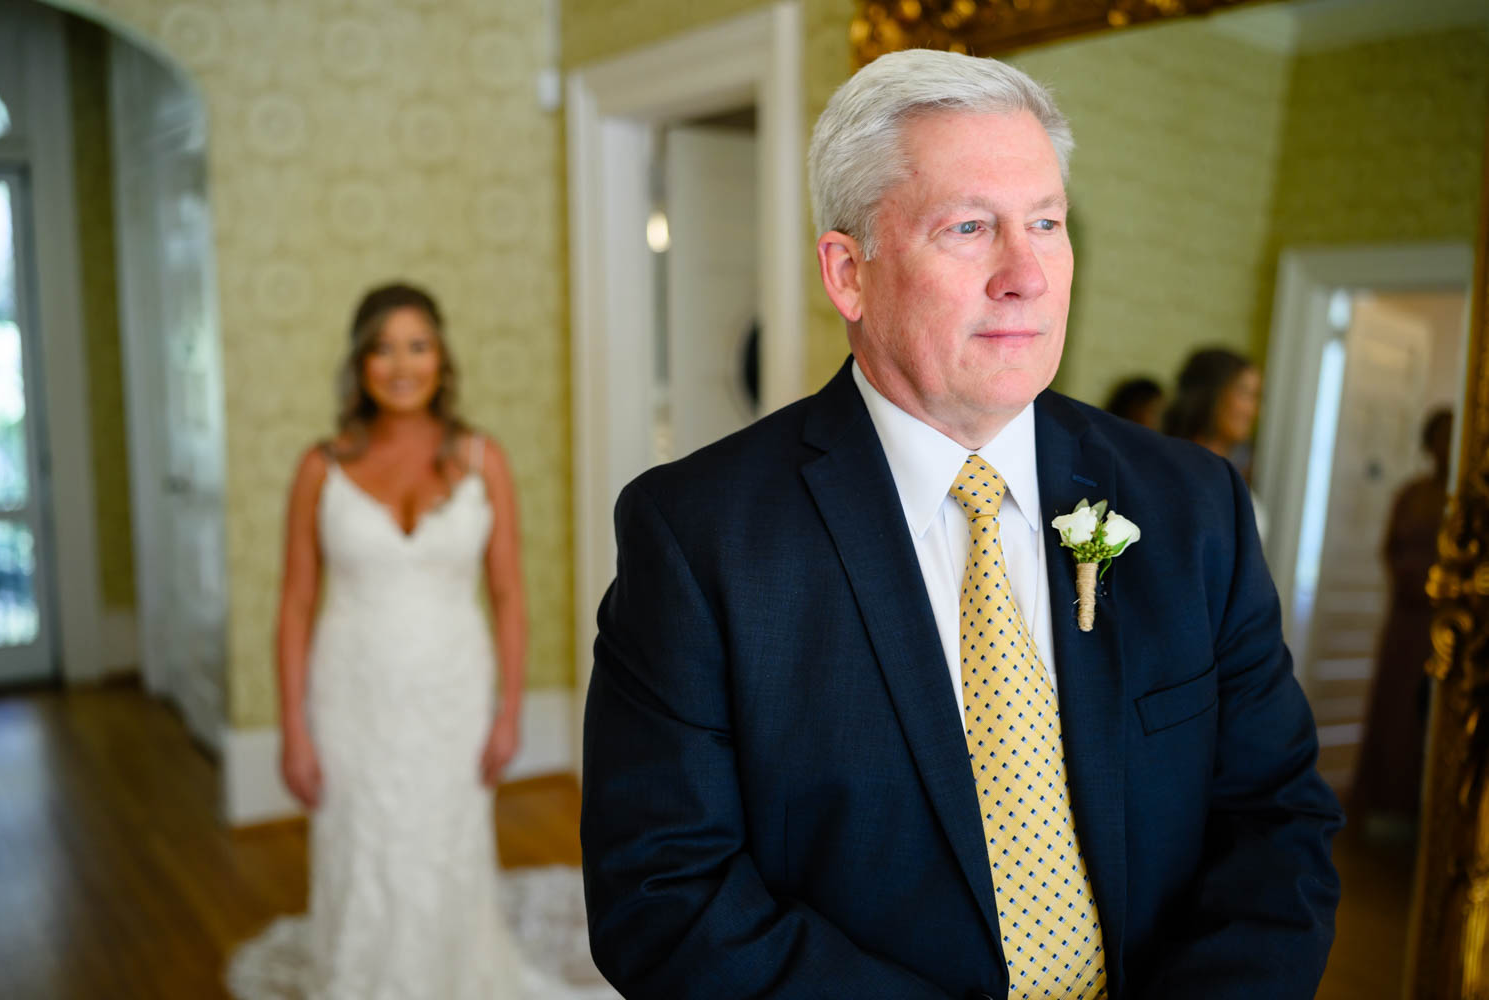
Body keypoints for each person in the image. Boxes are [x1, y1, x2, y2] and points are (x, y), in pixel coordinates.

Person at [581, 49, 1341, 1000]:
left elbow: (1276, 819)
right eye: (970, 226)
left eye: (1049, 223)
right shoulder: (700, 538)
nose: (1027, 274)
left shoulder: (1192, 504)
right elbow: (666, 896)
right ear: (849, 273)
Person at [228, 283, 612, 999]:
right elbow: (295, 603)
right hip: (351, 694)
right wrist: (293, 728)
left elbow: (508, 595)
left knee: (445, 846)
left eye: (417, 345)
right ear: (360, 363)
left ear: (441, 358)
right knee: (360, 848)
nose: (401, 364)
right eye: (382, 347)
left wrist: (508, 712)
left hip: (451, 692)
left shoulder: (481, 459)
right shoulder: (321, 468)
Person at [1352, 407, 1453, 833]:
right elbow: (1391, 548)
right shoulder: (1413, 493)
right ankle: (1381, 805)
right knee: (1394, 708)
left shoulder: (1465, 498)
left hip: (1445, 622)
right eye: (1440, 436)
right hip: (1407, 620)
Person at [1163, 347, 1267, 540]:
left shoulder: (1238, 471)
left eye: (1256, 396)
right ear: (1211, 393)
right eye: (1244, 393)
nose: (1252, 410)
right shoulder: (1171, 467)